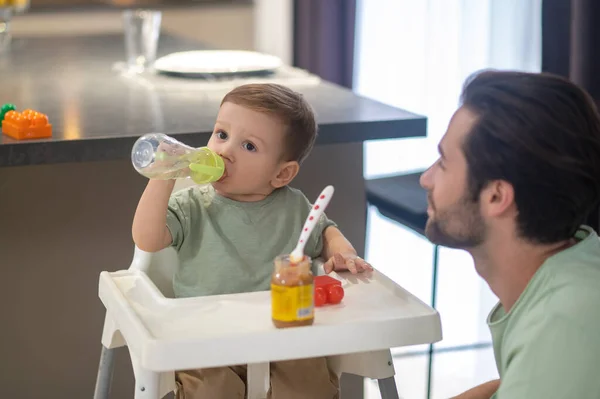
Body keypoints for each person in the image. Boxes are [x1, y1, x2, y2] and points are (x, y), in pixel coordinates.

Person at [131, 83, 371, 399]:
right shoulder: (193, 204)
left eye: (248, 147)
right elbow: (147, 239)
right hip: (206, 338)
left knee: (308, 388)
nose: (224, 151)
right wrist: (165, 175)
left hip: (283, 336)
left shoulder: (294, 207)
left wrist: (343, 252)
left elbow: (324, 231)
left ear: (282, 174)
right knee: (212, 392)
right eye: (221, 134)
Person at [420, 70, 600, 399]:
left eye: (443, 162)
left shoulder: (564, 323)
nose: (426, 178)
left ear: (496, 196)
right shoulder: (580, 264)